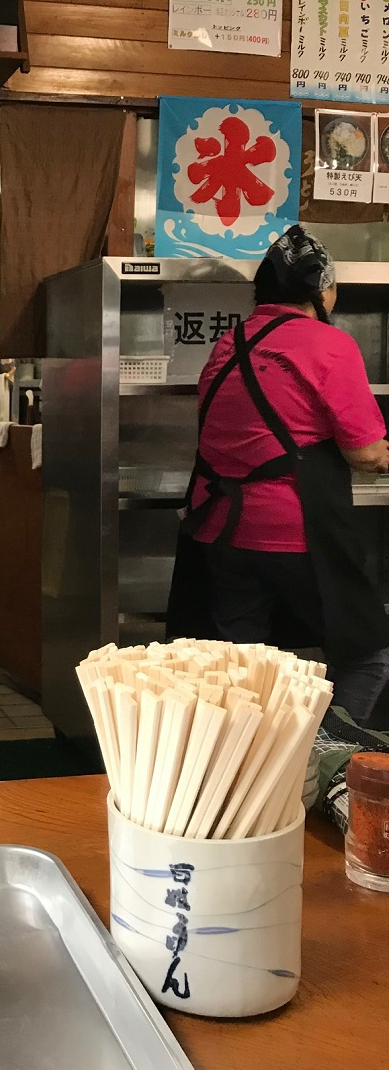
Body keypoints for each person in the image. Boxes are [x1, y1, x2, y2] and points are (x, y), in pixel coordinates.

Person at [166, 225, 389, 724]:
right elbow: (367, 453)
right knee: (368, 655)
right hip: (295, 534)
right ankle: (319, 762)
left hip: (222, 534)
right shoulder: (328, 345)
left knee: (242, 670)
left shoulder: (228, 345)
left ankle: (249, 775)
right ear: (320, 290)